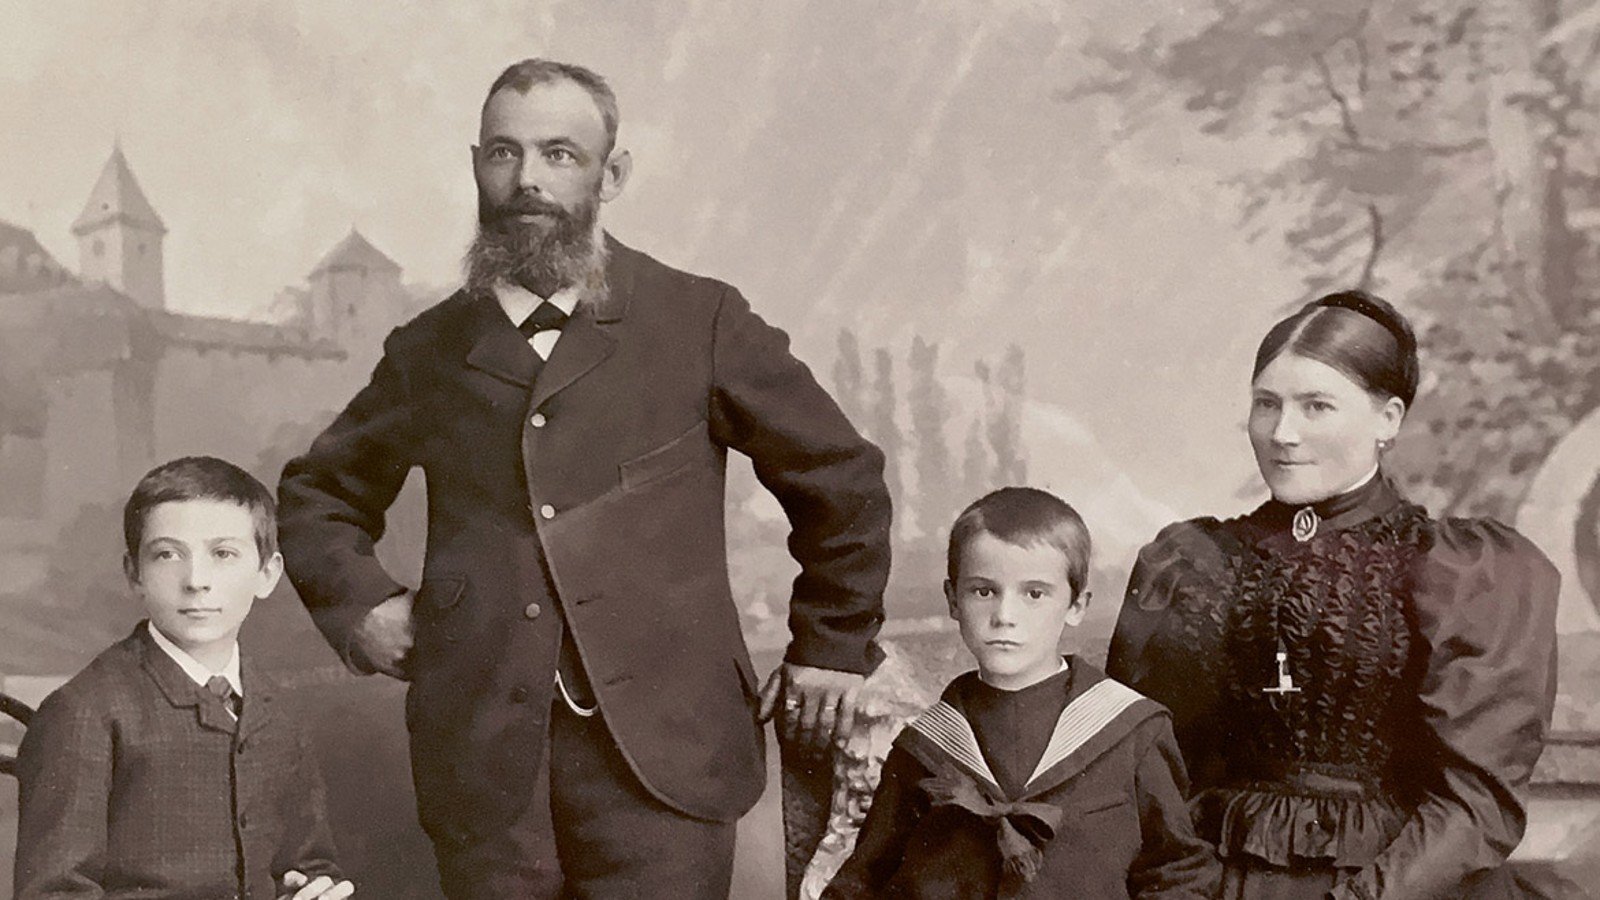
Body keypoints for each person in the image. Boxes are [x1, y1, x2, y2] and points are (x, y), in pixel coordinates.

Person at [276, 58, 892, 900]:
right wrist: (362, 606)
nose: (527, 180)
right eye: (504, 153)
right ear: (476, 166)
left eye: (560, 153)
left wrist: (831, 645)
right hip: (485, 762)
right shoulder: (428, 351)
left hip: (667, 761)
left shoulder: (699, 319)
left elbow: (841, 476)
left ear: (614, 172)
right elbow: (319, 497)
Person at [1106, 290, 1561, 899]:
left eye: (1316, 406)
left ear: (1388, 419)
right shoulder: (1191, 564)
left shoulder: (1459, 571)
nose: (1283, 433)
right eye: (1267, 405)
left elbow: (1477, 801)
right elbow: (1149, 775)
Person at [823, 487, 1220, 899]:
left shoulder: (1132, 730)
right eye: (983, 591)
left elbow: (1179, 872)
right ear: (952, 600)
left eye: (1034, 594)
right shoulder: (925, 746)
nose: (1004, 617)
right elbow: (862, 881)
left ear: (1076, 605)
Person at [13, 456, 352, 900]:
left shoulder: (277, 710)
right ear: (135, 574)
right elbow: (52, 893)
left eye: (223, 554)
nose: (196, 580)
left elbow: (309, 863)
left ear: (267, 574)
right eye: (168, 554)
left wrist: (312, 889)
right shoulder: (84, 712)